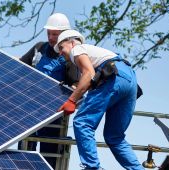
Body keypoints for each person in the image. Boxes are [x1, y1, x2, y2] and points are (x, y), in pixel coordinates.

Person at [55, 29, 144, 169]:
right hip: (129, 80)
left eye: (61, 47)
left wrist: (71, 100)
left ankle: (92, 167)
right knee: (114, 137)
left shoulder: (77, 50)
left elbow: (88, 73)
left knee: (82, 122)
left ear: (72, 42)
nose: (60, 52)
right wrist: (78, 90)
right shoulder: (94, 53)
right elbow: (92, 81)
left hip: (113, 78)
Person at [19, 13, 81, 168]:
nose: (51, 37)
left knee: (48, 158)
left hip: (52, 115)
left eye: (55, 34)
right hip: (28, 109)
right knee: (24, 153)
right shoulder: (39, 48)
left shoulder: (69, 56)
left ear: (64, 35)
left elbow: (75, 85)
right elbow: (19, 66)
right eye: (49, 33)